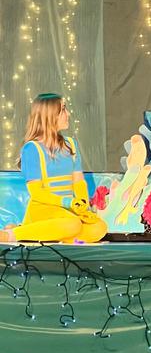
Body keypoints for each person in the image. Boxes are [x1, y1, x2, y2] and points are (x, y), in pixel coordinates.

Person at [0, 93, 107, 243]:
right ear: (50, 116)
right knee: (73, 224)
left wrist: (82, 204)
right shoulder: (32, 149)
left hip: (68, 211)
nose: (68, 114)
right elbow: (37, 193)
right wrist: (68, 203)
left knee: (99, 228)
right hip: (43, 210)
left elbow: (78, 181)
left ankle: (35, 232)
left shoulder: (71, 144)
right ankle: (12, 235)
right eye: (63, 110)